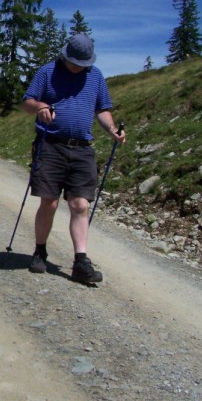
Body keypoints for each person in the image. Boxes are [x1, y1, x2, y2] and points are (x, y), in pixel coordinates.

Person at [21, 34, 126, 284]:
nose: (80, 67)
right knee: (50, 202)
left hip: (82, 148)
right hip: (50, 145)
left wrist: (111, 130)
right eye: (75, 62)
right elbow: (26, 102)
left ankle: (80, 261)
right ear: (65, 55)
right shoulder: (47, 72)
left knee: (80, 204)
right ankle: (40, 251)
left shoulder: (96, 76)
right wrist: (40, 107)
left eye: (84, 63)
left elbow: (102, 109)